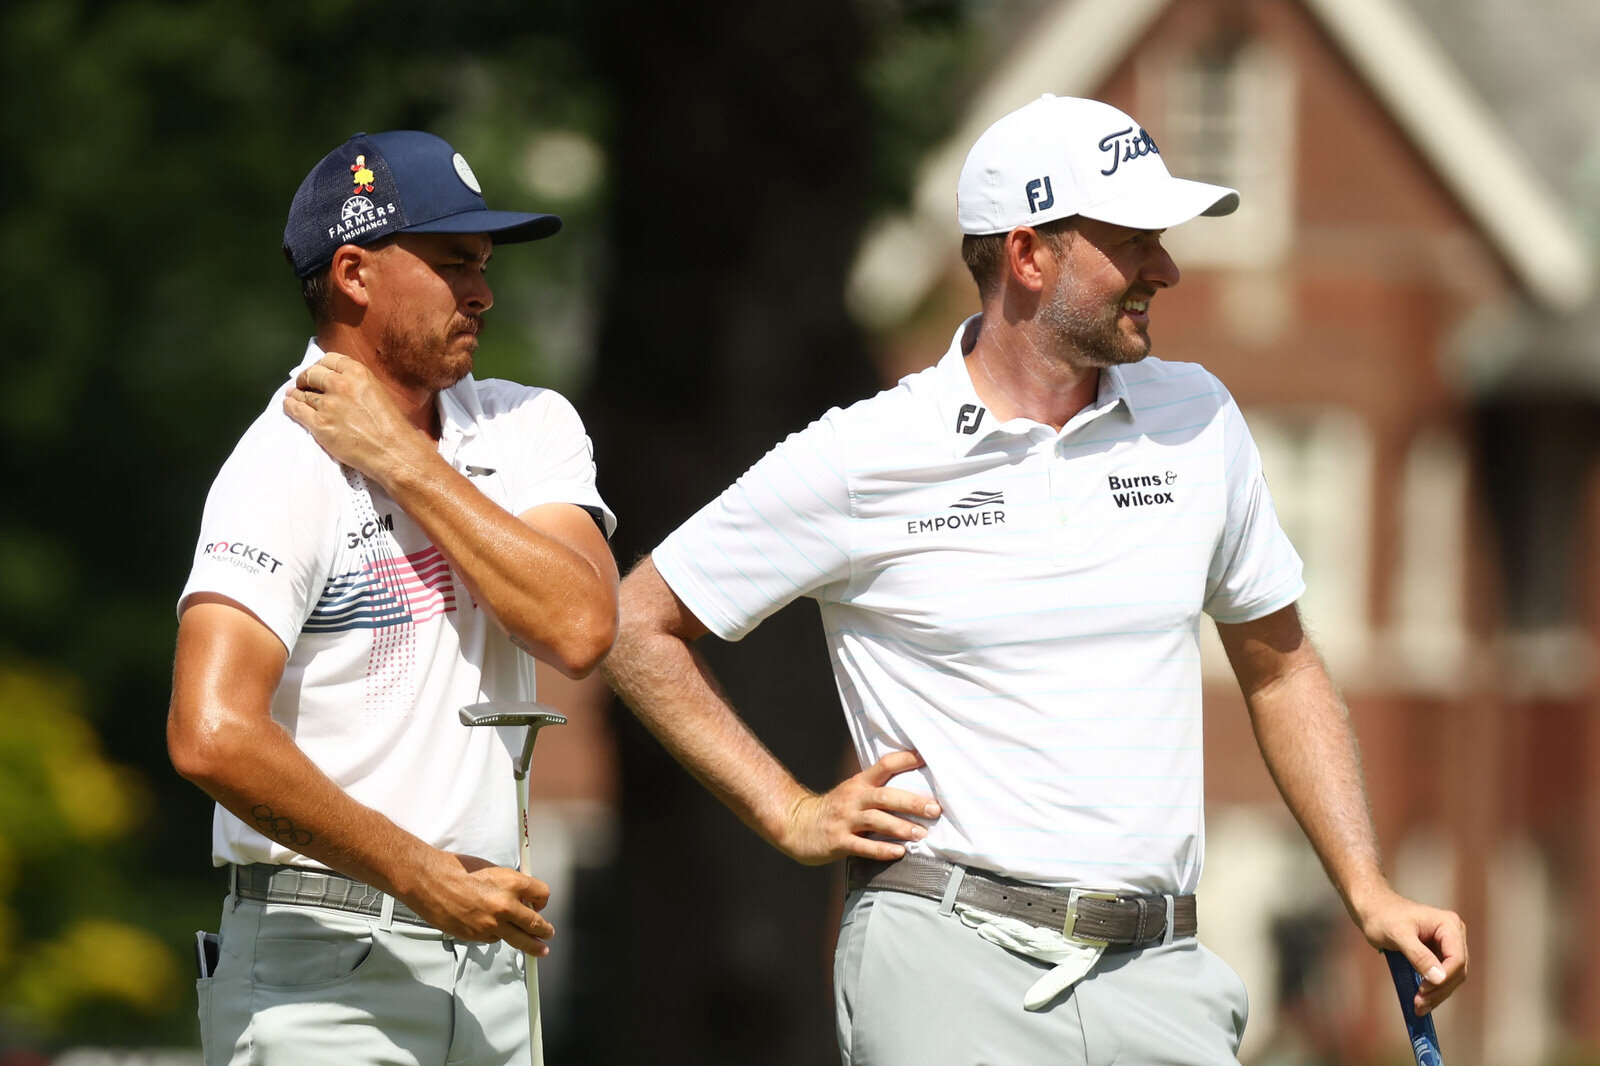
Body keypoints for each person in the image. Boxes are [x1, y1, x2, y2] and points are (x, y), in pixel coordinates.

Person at [601, 94, 1467, 1065]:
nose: (1165, 268)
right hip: (947, 956)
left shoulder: (1198, 417)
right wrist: (787, 807)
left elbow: (1282, 668)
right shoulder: (868, 453)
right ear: (1027, 255)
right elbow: (637, 623)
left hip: (1164, 974)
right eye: (1132, 240)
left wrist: (1367, 886)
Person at [168, 130, 619, 1065]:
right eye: (454, 263)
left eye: (485, 265)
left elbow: (579, 627)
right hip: (320, 976)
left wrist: (403, 460)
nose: (483, 293)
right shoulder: (277, 466)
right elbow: (210, 732)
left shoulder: (528, 424)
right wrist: (421, 877)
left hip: (494, 977)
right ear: (355, 274)